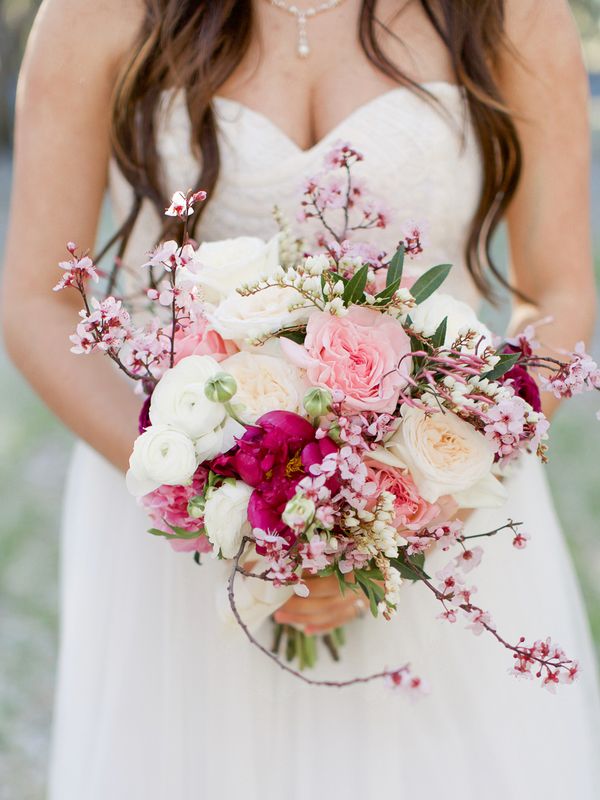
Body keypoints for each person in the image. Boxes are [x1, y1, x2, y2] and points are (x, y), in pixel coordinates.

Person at [2, 0, 600, 797]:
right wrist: (207, 491)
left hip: (434, 522)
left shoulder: (514, 12)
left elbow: (559, 288)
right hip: (177, 530)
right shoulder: (95, 14)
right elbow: (38, 301)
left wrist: (416, 494)